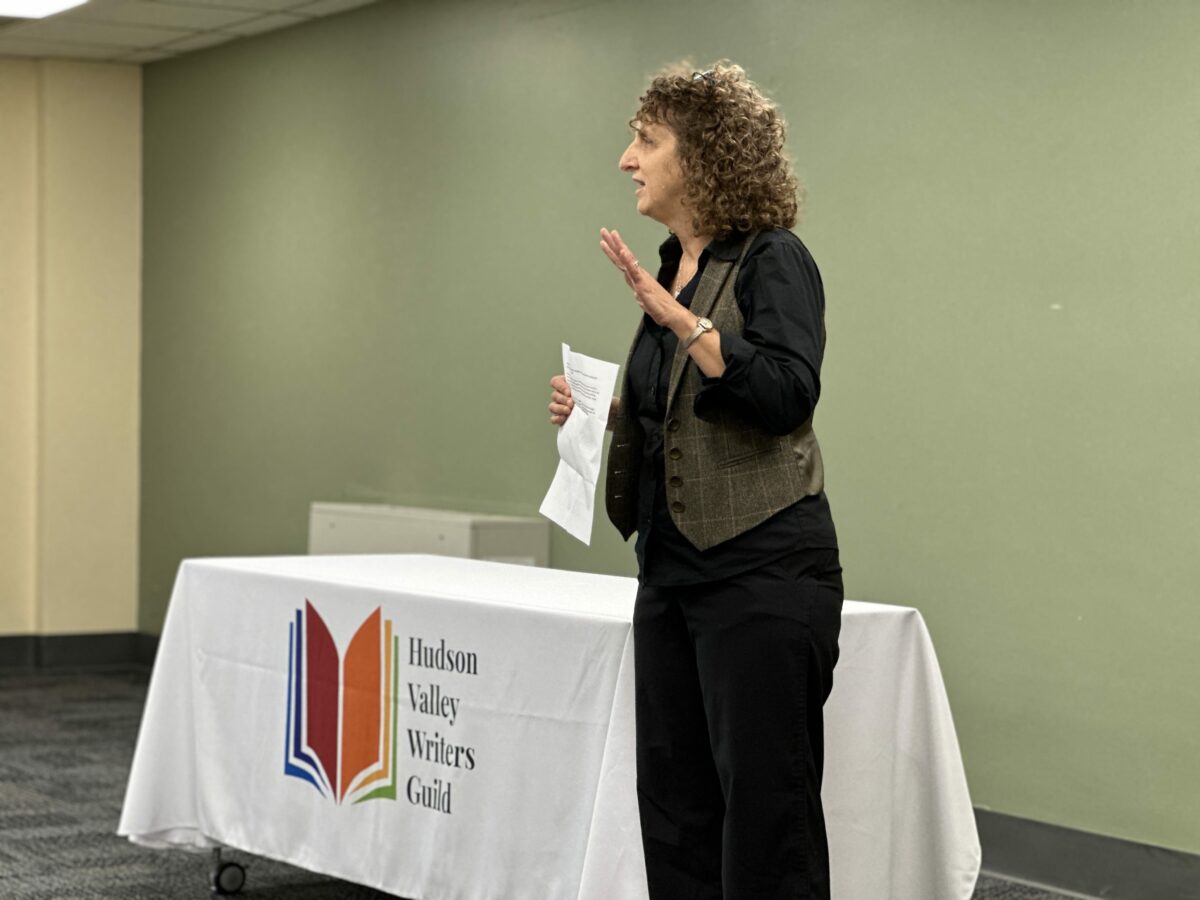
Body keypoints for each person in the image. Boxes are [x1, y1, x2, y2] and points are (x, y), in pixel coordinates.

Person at [548, 61, 843, 900]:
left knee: (767, 822)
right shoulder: (672, 260)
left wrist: (682, 320)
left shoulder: (773, 259)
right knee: (674, 813)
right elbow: (672, 408)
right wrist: (598, 413)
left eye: (646, 141)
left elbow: (786, 392)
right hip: (673, 576)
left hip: (764, 573)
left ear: (703, 157)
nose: (626, 159)